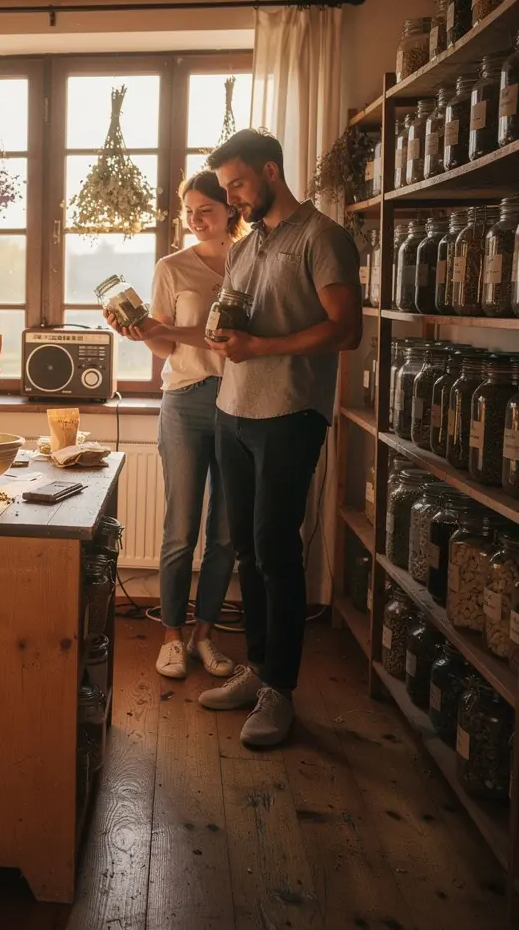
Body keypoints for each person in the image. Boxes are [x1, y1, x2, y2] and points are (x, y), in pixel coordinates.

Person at [197, 128, 361, 748]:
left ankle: (281, 692)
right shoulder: (248, 242)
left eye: (238, 184)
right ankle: (260, 669)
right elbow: (236, 316)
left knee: (275, 553)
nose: (232, 197)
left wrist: (262, 347)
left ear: (270, 171)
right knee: (245, 548)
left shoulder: (323, 238)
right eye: (227, 187)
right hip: (232, 410)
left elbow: (346, 331)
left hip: (290, 415)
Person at [107, 171, 244, 680]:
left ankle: (205, 635)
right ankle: (171, 636)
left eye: (205, 209)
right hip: (184, 401)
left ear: (231, 208)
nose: (195, 220)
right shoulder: (171, 267)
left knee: (226, 533)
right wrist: (141, 332)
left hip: (241, 403)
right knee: (180, 527)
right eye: (188, 211)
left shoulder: (252, 261)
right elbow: (165, 347)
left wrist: (169, 329)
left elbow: (236, 335)